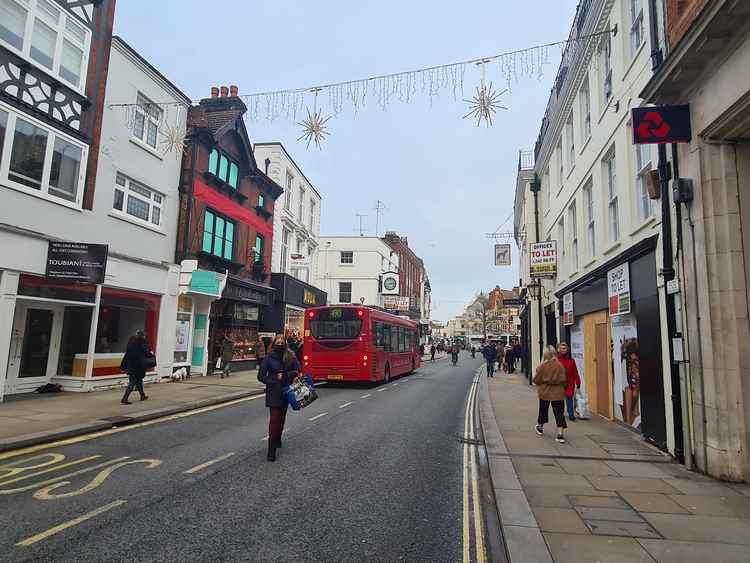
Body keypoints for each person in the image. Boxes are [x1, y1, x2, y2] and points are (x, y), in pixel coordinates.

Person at [257, 335, 301, 461]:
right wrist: (274, 380)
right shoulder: (268, 358)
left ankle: (278, 438)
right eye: (278, 342)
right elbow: (260, 376)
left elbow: (298, 370)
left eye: (282, 343)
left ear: (285, 344)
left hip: (287, 391)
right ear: (274, 344)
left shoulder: (291, 357)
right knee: (274, 419)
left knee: (281, 418)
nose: (280, 345)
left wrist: (289, 375)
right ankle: (271, 450)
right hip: (274, 392)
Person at [533, 346, 568, 443]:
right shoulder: (560, 365)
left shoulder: (543, 366)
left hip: (545, 392)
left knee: (543, 410)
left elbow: (536, 380)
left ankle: (540, 427)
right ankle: (560, 434)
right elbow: (564, 379)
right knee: (559, 413)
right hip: (558, 393)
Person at [120, 331, 151, 404]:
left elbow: (126, 355)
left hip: (131, 365)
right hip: (139, 366)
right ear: (142, 336)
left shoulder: (130, 343)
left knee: (138, 381)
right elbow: (146, 353)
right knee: (133, 382)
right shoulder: (143, 343)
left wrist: (123, 366)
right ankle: (125, 398)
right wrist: (151, 354)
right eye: (144, 335)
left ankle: (142, 395)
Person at [557, 342, 581, 421]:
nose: (563, 350)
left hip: (570, 382)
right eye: (562, 348)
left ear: (567, 349)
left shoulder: (571, 360)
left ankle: (571, 414)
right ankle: (560, 413)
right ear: (559, 349)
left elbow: (575, 372)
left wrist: (578, 382)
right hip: (559, 382)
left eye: (565, 348)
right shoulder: (556, 360)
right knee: (560, 399)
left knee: (569, 398)